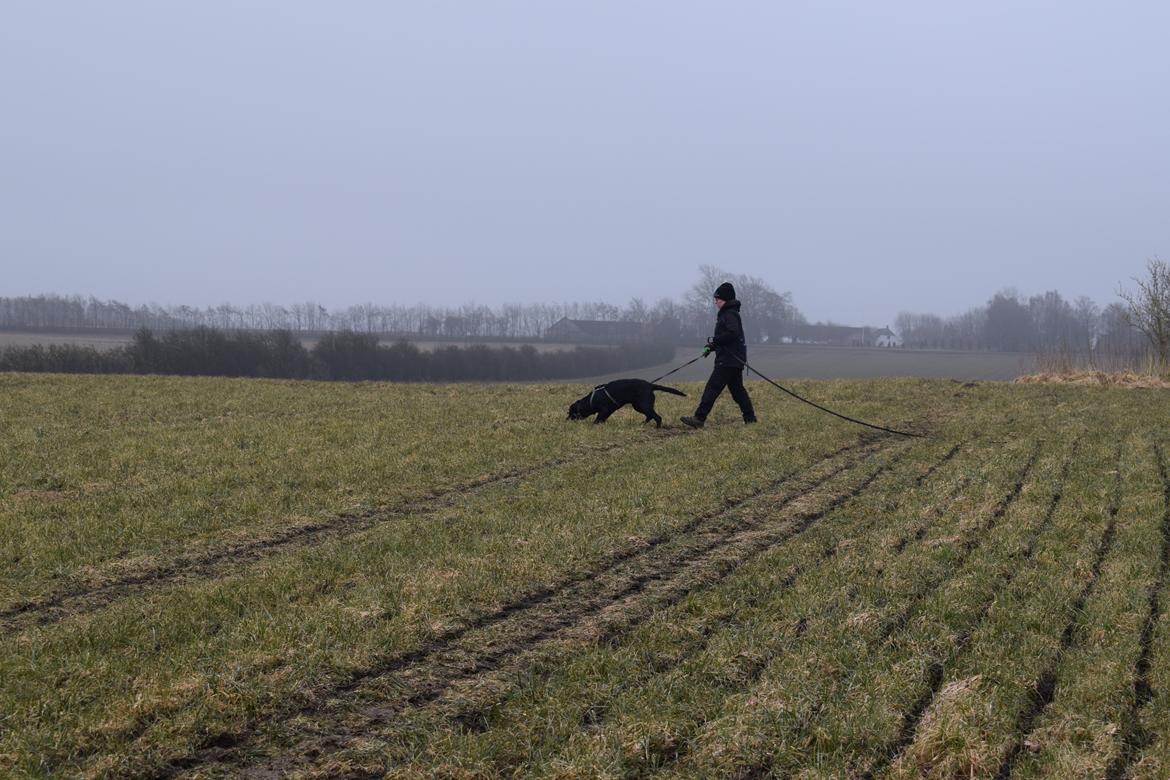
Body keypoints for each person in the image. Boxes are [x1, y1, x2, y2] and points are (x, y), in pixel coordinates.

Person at [681, 282, 757, 428]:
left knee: (712, 388)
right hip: (734, 359)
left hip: (728, 360)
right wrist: (712, 347)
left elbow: (732, 334)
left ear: (726, 299)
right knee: (737, 391)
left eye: (718, 299)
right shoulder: (730, 313)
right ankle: (750, 419)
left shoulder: (729, 314)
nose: (716, 302)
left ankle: (699, 418)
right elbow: (727, 338)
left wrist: (715, 340)